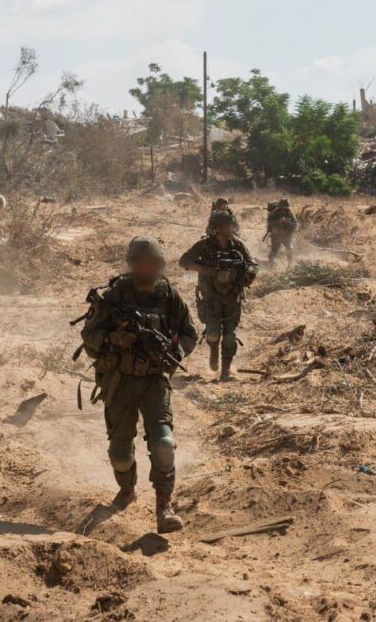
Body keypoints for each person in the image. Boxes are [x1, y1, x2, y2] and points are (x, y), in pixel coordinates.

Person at [80, 236, 198, 533]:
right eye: (141, 264)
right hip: (120, 380)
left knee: (163, 444)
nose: (147, 270)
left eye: (153, 264)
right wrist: (111, 339)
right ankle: (127, 490)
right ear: (132, 265)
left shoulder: (169, 297)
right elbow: (88, 335)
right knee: (119, 451)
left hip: (155, 380)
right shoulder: (112, 297)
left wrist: (174, 353)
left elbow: (189, 334)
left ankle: (164, 505)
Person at [179, 210, 258, 382]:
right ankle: (214, 349)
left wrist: (249, 273)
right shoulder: (204, 246)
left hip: (232, 295)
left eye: (231, 224)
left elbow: (252, 264)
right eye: (226, 224)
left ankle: (226, 369)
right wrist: (205, 269)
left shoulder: (238, 245)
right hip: (210, 296)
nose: (230, 227)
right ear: (216, 227)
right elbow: (183, 261)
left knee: (230, 335)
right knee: (213, 333)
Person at [265, 198, 298, 266]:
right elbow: (269, 222)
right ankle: (271, 264)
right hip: (276, 235)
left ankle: (290, 264)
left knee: (290, 249)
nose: (285, 208)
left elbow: (295, 223)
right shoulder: (273, 213)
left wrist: (287, 222)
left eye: (286, 206)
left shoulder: (289, 213)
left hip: (286, 235)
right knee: (275, 250)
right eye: (283, 206)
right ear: (280, 206)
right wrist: (278, 221)